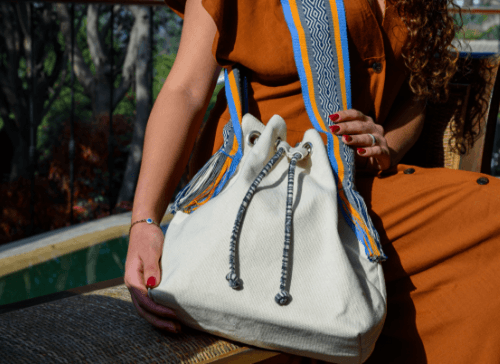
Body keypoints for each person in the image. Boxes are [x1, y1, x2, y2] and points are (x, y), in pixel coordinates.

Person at [124, 0, 500, 362]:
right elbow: (185, 90)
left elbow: (417, 94)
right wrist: (144, 220)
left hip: (359, 183)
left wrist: (388, 144)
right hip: (266, 187)